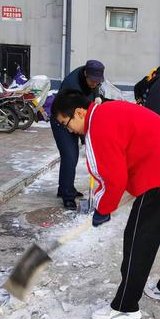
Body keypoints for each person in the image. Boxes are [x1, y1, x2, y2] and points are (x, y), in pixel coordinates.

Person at [51, 89, 160, 319]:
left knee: (138, 240)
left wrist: (102, 209)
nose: (68, 130)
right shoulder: (108, 110)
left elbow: (112, 179)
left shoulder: (96, 127)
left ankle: (125, 307)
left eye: (66, 124)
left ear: (79, 112)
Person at [51, 60, 105, 210]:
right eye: (92, 81)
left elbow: (91, 96)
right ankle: (67, 197)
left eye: (98, 81)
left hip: (77, 119)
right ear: (86, 74)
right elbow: (74, 112)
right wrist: (86, 137)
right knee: (70, 156)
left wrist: (97, 97)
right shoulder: (72, 86)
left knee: (72, 156)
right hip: (62, 120)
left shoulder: (90, 79)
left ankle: (65, 189)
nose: (95, 84)